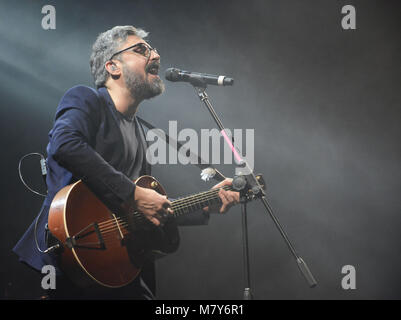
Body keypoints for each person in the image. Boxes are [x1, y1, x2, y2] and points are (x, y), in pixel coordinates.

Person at [13, 25, 239, 299]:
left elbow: (132, 216)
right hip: (60, 263)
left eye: (153, 49)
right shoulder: (86, 99)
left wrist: (205, 205)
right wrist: (133, 193)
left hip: (109, 272)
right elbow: (65, 144)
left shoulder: (140, 133)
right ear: (112, 67)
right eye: (141, 49)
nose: (155, 55)